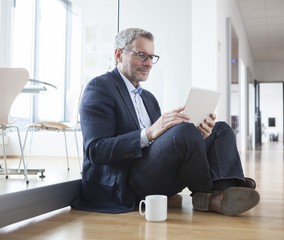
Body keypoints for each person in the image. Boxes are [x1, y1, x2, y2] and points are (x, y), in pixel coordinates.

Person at [71, 28, 260, 216]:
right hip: (124, 184)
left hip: (154, 175)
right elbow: (95, 150)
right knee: (184, 132)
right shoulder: (99, 88)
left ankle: (223, 191)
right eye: (141, 55)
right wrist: (150, 132)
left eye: (152, 57)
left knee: (221, 130)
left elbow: (162, 147)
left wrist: (199, 135)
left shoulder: (149, 99)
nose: (149, 64)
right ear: (119, 55)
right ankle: (214, 193)